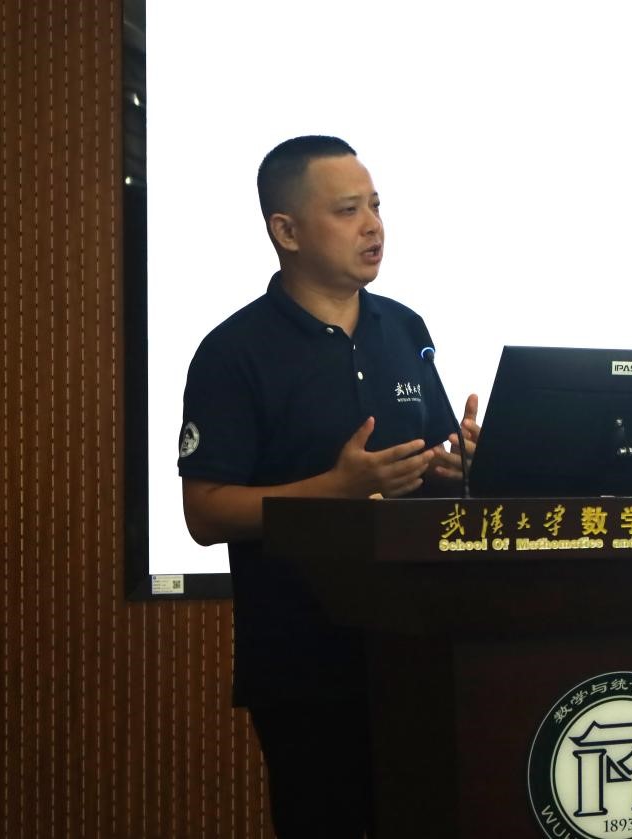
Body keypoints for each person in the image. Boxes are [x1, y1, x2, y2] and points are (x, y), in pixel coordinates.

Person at [177, 135, 478, 837]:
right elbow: (205, 512)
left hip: (421, 647)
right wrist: (337, 488)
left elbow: (431, 460)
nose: (374, 226)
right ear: (286, 231)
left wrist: (459, 464)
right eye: (348, 211)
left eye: (376, 205)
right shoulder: (233, 352)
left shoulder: (404, 327)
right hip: (304, 660)